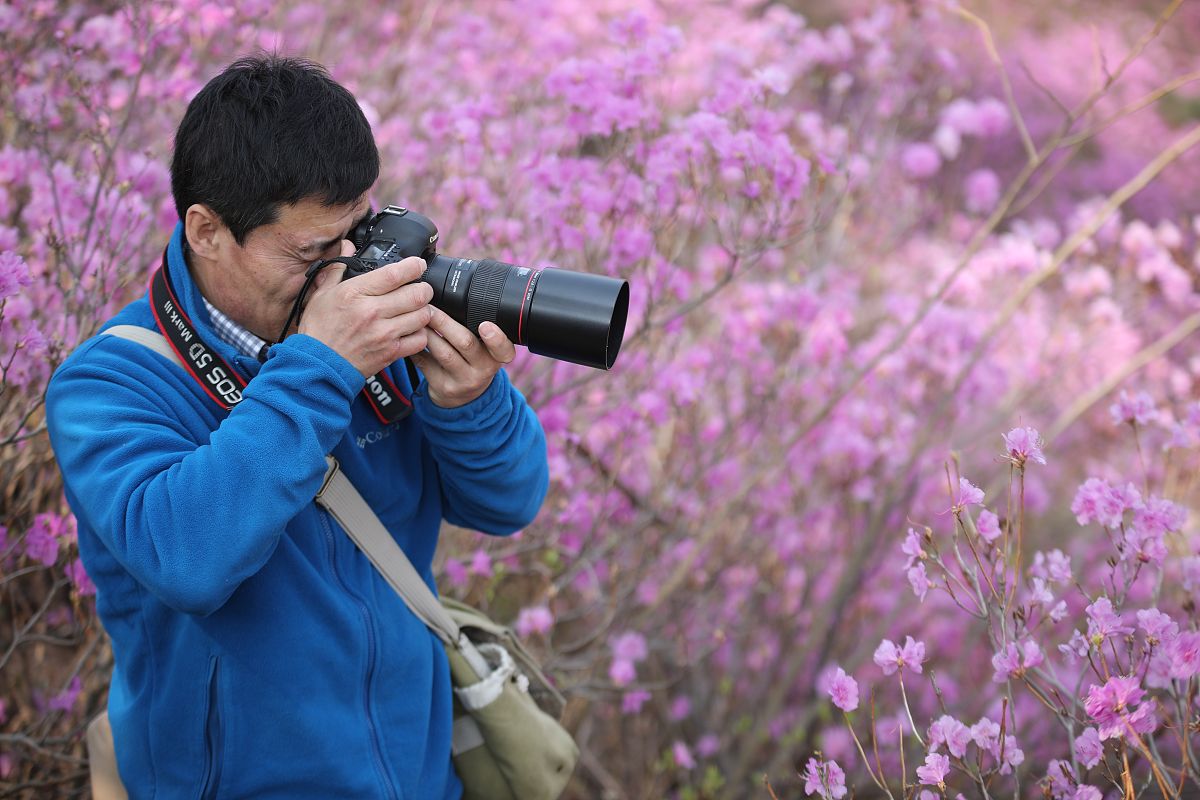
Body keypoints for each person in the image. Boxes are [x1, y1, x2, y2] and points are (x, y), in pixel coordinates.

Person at [45, 54, 548, 799]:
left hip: (417, 777)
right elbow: (189, 559)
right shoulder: (110, 384)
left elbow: (507, 503)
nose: (343, 273)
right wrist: (322, 365)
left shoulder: (374, 333)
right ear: (207, 231)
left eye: (356, 235)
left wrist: (469, 400)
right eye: (312, 252)